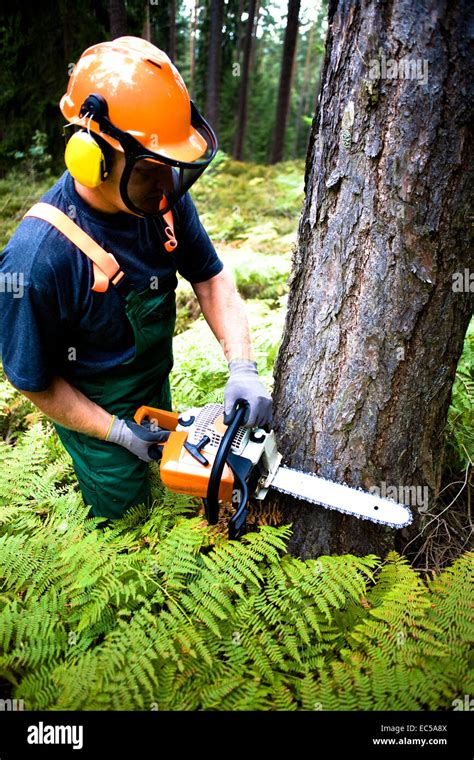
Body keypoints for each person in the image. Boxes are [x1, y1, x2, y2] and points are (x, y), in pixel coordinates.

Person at [0, 36, 272, 520]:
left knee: (165, 487)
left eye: (172, 170)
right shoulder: (37, 260)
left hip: (152, 378)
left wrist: (242, 368)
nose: (168, 186)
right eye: (152, 170)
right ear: (92, 156)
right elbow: (34, 382)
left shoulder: (159, 200)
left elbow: (210, 280)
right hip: (91, 405)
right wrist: (117, 433)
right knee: (124, 516)